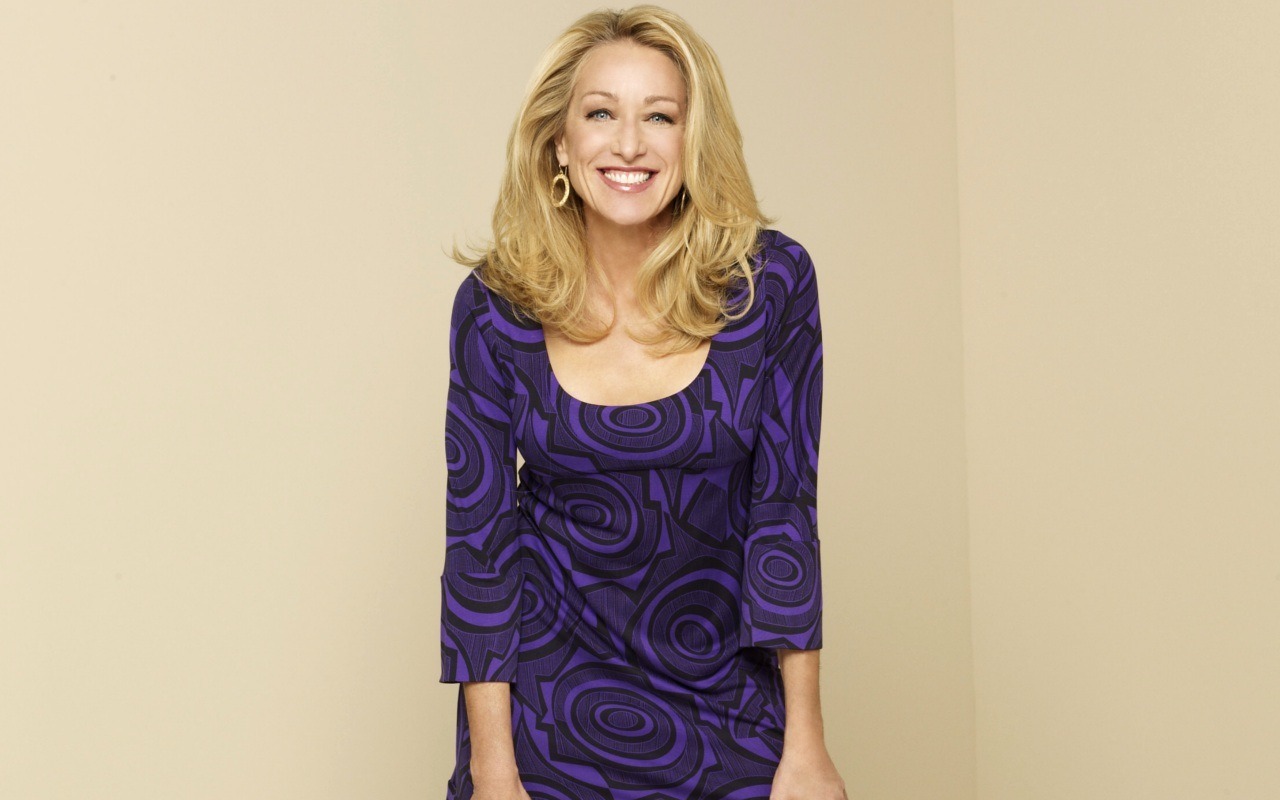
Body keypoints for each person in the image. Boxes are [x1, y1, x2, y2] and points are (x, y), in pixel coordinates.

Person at [440, 6, 845, 799]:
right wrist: (493, 771)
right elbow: (480, 550)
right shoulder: (495, 306)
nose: (629, 144)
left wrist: (806, 743)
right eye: (601, 114)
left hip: (726, 706)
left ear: (694, 141)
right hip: (545, 720)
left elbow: (784, 513)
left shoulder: (770, 286)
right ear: (559, 142)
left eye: (660, 116)